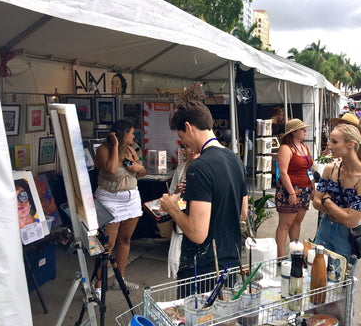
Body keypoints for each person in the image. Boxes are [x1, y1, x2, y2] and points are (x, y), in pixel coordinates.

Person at [160, 101, 248, 291]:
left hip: (202, 270)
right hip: (230, 263)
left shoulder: (199, 167)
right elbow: (242, 213)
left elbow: (197, 234)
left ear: (188, 127)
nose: (183, 144)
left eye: (181, 136)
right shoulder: (235, 160)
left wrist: (172, 208)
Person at [93, 119, 146, 296]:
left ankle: (120, 279)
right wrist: (116, 145)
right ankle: (98, 286)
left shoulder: (132, 149)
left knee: (125, 240)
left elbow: (142, 171)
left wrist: (137, 167)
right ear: (122, 134)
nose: (133, 136)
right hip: (110, 200)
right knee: (107, 245)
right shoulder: (103, 149)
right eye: (130, 133)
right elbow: (111, 168)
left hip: (130, 199)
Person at [313, 124, 361, 260]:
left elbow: (351, 221)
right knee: (316, 275)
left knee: (341, 279)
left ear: (350, 144)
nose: (329, 145)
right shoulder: (330, 168)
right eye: (330, 140)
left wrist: (328, 202)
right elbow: (316, 202)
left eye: (334, 142)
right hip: (324, 229)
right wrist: (342, 213)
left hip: (347, 237)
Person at [274, 119, 314, 257]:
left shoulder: (303, 146)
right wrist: (291, 192)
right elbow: (283, 172)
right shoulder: (286, 148)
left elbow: (309, 169)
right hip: (290, 189)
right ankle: (280, 256)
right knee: (285, 224)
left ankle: (294, 251)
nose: (305, 131)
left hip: (304, 189)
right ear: (294, 132)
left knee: (297, 222)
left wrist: (313, 187)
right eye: (302, 129)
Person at [167, 143, 199, 279]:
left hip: (197, 217)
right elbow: (171, 193)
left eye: (193, 147)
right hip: (180, 216)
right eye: (187, 147)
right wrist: (177, 191)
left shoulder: (206, 168)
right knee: (178, 258)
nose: (191, 150)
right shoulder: (181, 168)